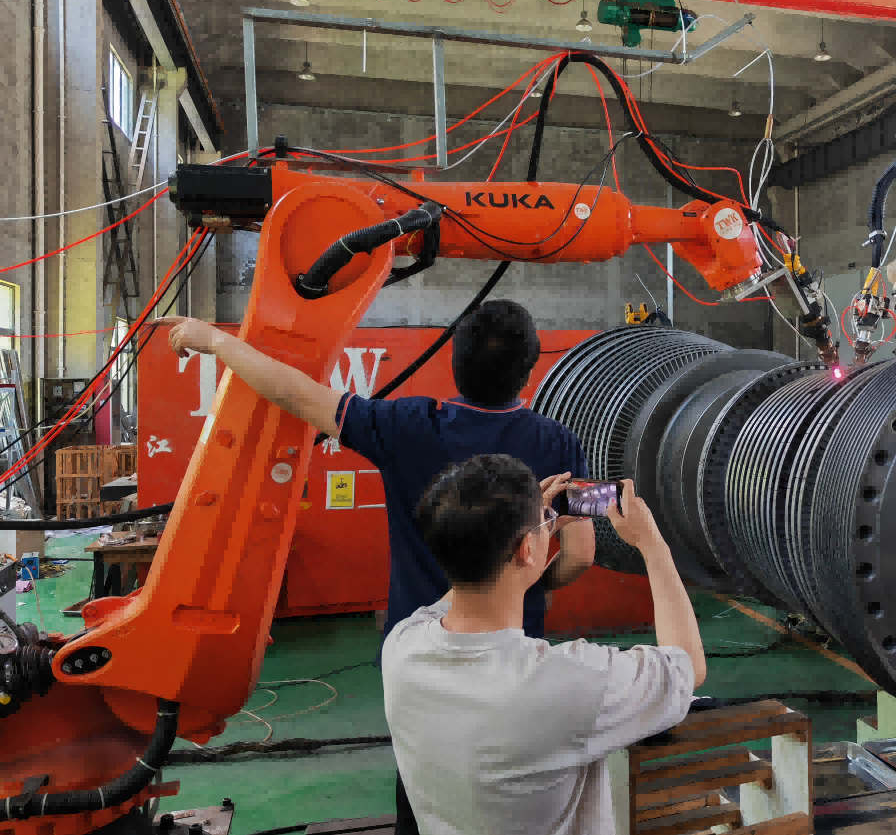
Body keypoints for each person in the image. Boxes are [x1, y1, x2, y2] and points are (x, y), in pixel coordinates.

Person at [157, 300, 597, 835]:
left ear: (454, 361)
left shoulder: (406, 424)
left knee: (422, 788)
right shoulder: (558, 443)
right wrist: (533, 584)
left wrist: (215, 341)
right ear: (529, 370)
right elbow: (581, 554)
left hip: (419, 658)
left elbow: (298, 394)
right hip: (514, 652)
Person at [384, 454, 706, 835]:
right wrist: (652, 544)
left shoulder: (402, 646)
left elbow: (467, 573)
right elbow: (686, 666)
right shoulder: (569, 681)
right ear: (525, 550)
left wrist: (532, 531)